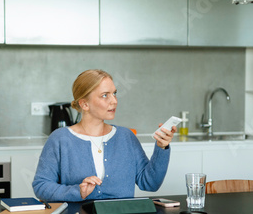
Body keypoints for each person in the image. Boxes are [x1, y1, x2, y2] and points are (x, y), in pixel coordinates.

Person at [32, 69, 176, 202]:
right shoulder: (60, 139)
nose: (114, 101)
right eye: (105, 95)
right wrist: (77, 191)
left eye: (114, 93)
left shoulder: (126, 137)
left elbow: (150, 183)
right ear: (84, 104)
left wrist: (161, 148)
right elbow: (41, 186)